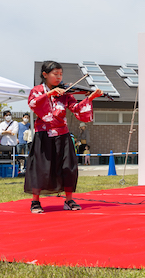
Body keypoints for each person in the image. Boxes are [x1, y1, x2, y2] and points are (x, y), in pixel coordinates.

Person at [24, 61, 103, 214]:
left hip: (63, 134)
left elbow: (76, 109)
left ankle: (69, 200)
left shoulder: (65, 92)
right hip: (44, 134)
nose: (59, 77)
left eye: (61, 74)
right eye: (56, 74)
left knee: (68, 167)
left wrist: (90, 98)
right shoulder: (37, 90)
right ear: (45, 74)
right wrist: (48, 94)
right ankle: (35, 202)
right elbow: (33, 104)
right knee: (41, 168)